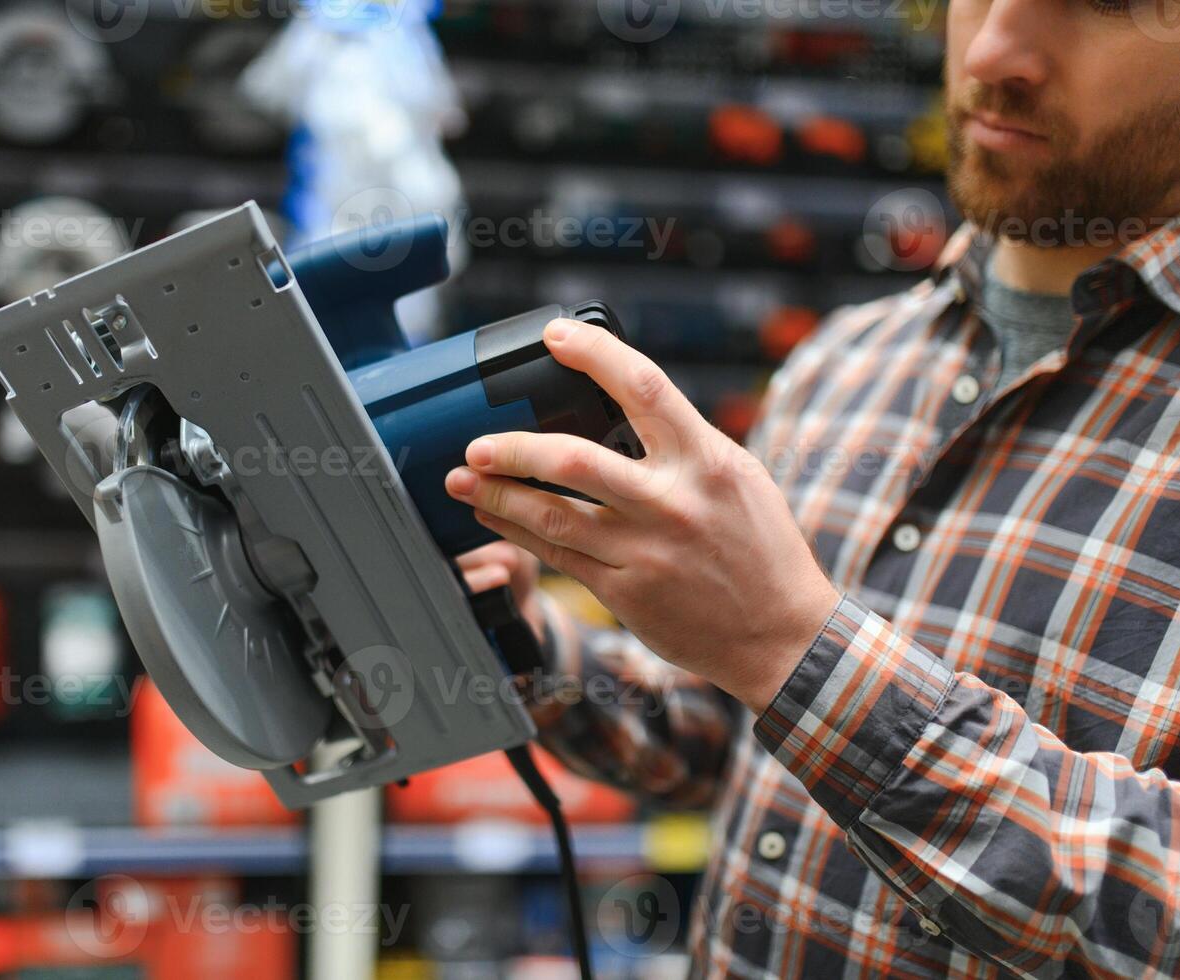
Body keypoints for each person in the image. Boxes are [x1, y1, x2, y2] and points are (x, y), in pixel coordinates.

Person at [446, 0, 1180, 975]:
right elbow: (734, 736)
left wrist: (791, 643)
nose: (996, 48)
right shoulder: (844, 364)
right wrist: (527, 644)